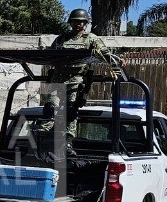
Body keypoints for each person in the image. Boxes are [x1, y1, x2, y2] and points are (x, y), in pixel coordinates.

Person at [40, 8, 125, 141]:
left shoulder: (90, 38)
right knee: (50, 108)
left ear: (85, 23)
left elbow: (103, 53)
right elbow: (50, 55)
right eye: (75, 21)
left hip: (76, 79)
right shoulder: (61, 39)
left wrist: (117, 60)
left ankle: (67, 140)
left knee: (71, 111)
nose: (78, 24)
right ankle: (42, 137)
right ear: (70, 22)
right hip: (58, 78)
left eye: (81, 22)